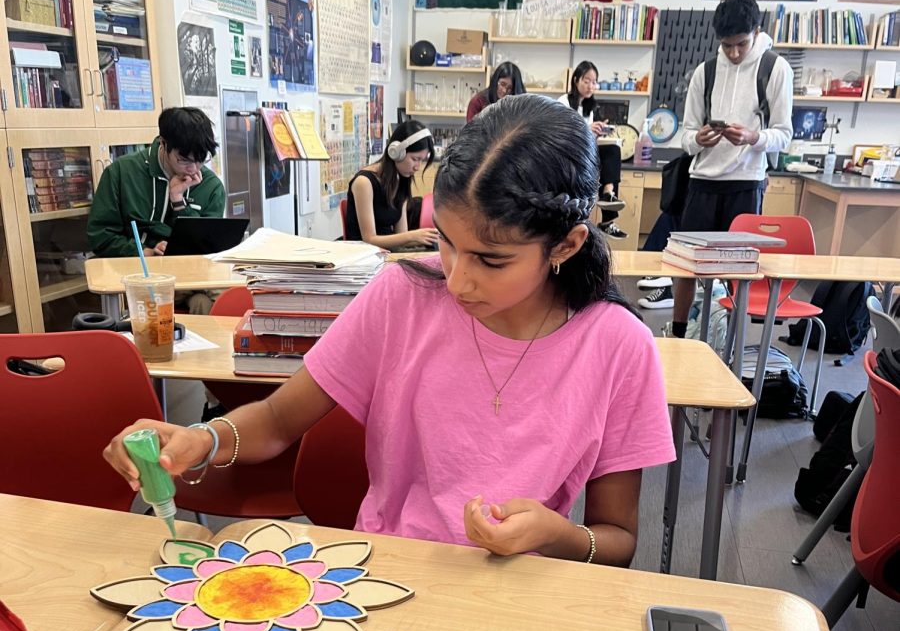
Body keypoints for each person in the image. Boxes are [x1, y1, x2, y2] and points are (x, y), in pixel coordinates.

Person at [104, 96, 675, 565]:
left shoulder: (618, 347)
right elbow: (279, 421)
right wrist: (201, 439)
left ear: (567, 245)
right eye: (447, 243)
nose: (457, 280)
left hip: (522, 591)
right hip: (386, 571)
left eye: (490, 260)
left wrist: (554, 533)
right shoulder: (404, 293)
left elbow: (616, 539)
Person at [655, 0, 793, 329]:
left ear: (757, 32)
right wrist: (697, 139)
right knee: (687, 265)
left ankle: (728, 338)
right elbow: (686, 135)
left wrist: (753, 138)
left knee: (738, 271)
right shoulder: (706, 72)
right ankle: (678, 331)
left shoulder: (775, 69)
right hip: (702, 182)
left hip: (745, 184)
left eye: (741, 44)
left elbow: (784, 134)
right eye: (726, 45)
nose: (733, 53)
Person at [86, 107, 225, 257]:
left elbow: (210, 246)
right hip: (131, 271)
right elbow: (100, 236)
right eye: (184, 160)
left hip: (191, 273)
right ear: (163, 144)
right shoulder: (121, 172)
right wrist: (144, 252)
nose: (193, 168)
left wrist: (179, 203)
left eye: (201, 159)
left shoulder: (211, 187)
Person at [344, 120, 440, 251]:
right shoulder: (364, 182)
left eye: (422, 160)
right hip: (364, 257)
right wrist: (413, 236)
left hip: (387, 254)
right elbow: (369, 239)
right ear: (396, 152)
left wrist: (429, 238)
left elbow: (401, 235)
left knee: (436, 249)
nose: (417, 167)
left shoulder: (401, 179)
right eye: (415, 159)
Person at [558, 61, 627, 239]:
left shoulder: (590, 108)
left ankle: (608, 199)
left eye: (594, 82)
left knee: (613, 150)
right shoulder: (563, 102)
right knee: (608, 155)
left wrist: (598, 131)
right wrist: (587, 129)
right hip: (568, 155)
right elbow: (561, 134)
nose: (591, 85)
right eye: (587, 80)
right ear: (576, 80)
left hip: (584, 153)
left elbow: (588, 139)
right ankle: (607, 216)